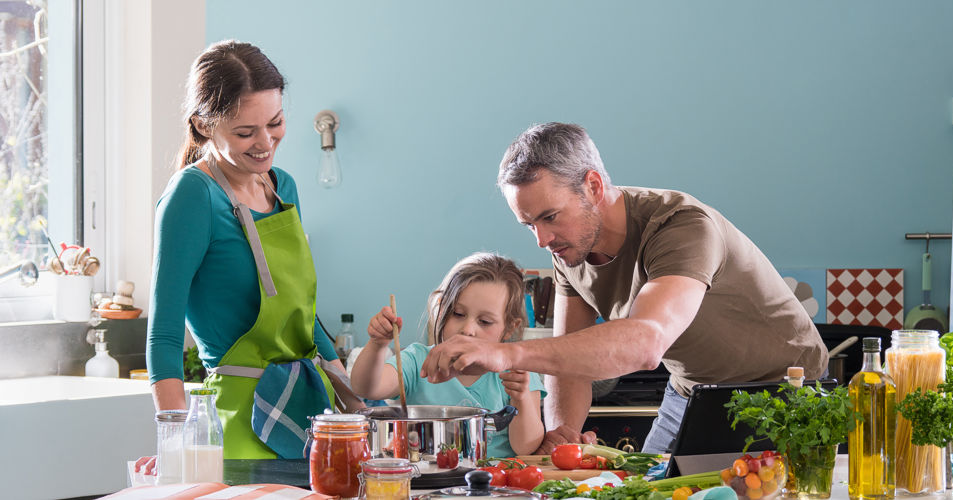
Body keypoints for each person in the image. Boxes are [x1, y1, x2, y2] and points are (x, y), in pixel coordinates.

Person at [421, 122, 829, 454]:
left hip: (782, 390)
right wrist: (562, 434)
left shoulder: (680, 225)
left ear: (593, 187)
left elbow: (646, 341)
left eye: (549, 217)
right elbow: (571, 355)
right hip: (690, 392)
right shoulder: (569, 248)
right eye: (529, 225)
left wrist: (504, 353)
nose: (542, 240)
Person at [144, 40, 364, 462]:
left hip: (314, 419)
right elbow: (164, 336)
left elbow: (303, 315)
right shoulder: (192, 196)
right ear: (204, 126)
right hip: (240, 433)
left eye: (276, 123)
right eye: (245, 132)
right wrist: (175, 449)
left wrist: (353, 406)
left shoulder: (283, 187)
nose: (265, 142)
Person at [351, 253, 545, 457]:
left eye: (485, 322)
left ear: (508, 328)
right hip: (425, 480)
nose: (468, 330)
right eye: (458, 314)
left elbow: (525, 447)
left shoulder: (517, 370)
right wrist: (377, 344)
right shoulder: (417, 360)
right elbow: (366, 388)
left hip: (496, 483)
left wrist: (521, 398)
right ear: (442, 309)